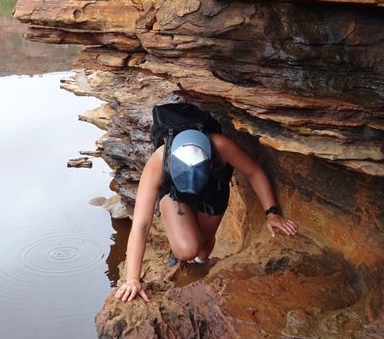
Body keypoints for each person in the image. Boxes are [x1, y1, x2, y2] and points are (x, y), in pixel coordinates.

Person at [114, 127, 298, 303]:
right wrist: (132, 279)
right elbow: (141, 225)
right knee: (187, 249)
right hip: (175, 196)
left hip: (213, 191)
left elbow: (254, 172)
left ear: (210, 163)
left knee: (204, 245)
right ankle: (179, 252)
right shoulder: (159, 160)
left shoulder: (222, 147)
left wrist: (271, 212)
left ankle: (200, 263)